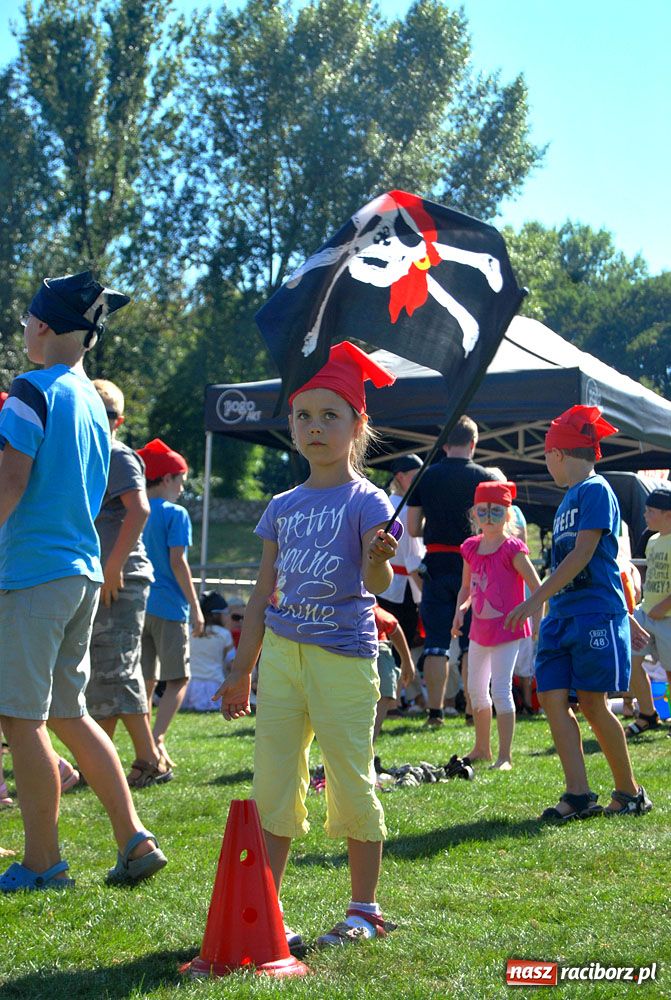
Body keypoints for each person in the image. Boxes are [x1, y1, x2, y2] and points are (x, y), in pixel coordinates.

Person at [215, 340, 400, 948]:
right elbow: (263, 591)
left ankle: (364, 909)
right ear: (291, 424)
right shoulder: (282, 506)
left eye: (330, 416)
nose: (315, 427)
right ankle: (269, 911)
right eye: (303, 416)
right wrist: (243, 670)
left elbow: (378, 583)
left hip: (344, 657)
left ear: (357, 426)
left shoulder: (367, 500)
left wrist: (378, 558)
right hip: (283, 662)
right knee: (273, 780)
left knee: (350, 776)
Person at [0, 271, 166, 892]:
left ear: (41, 326)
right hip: (81, 573)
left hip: (32, 574)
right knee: (68, 712)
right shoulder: (95, 404)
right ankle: (134, 837)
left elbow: (10, 483)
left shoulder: (28, 391)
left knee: (22, 719)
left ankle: (42, 862)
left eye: (24, 321)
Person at [505, 405, 653, 820]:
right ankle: (579, 794)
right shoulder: (567, 500)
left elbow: (587, 555)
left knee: (592, 702)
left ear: (557, 454)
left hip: (591, 614)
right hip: (562, 616)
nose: (547, 464)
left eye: (547, 456)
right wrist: (547, 605)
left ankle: (629, 792)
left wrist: (536, 599)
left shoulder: (595, 490)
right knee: (552, 697)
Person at [86, 380, 172, 788]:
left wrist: (113, 566)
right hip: (100, 573)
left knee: (118, 668)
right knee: (106, 669)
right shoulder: (85, 452)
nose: (95, 422)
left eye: (103, 417)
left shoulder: (118, 454)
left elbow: (138, 511)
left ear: (118, 421)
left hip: (122, 575)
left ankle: (150, 759)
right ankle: (106, 761)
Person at [407, 415, 495, 727]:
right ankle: (473, 709)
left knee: (435, 641)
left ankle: (435, 712)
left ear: (444, 445)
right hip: (474, 566)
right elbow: (495, 528)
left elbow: (413, 527)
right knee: (473, 640)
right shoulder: (485, 478)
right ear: (473, 444)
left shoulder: (426, 476)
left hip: (436, 563)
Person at [451, 481, 542, 769]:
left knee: (500, 690)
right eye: (483, 511)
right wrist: (460, 611)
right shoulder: (471, 548)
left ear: (507, 515)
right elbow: (466, 588)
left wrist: (537, 624)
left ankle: (505, 756)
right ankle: (482, 748)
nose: (488, 517)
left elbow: (537, 588)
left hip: (508, 630)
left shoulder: (513, 548)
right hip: (480, 630)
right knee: (476, 689)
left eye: (495, 511)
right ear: (474, 514)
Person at [138, 438, 205, 768]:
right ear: (166, 479)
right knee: (178, 678)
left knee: (146, 681)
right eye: (180, 480)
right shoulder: (175, 514)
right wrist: (196, 606)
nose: (182, 487)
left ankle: (146, 748)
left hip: (137, 606)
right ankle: (157, 739)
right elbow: (178, 562)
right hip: (169, 605)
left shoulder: (134, 508)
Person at [624, 488, 671, 738]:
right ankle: (647, 714)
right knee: (631, 660)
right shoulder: (652, 541)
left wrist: (664, 606)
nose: (645, 515)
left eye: (650, 511)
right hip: (647, 614)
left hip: (668, 618)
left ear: (668, 515)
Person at [377, 454, 425, 647]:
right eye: (415, 477)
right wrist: (427, 597)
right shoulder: (407, 511)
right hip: (404, 589)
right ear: (400, 477)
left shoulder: (382, 503)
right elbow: (413, 560)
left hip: (380, 585)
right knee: (400, 650)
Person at [181, 591, 234, 711]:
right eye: (226, 613)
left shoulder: (189, 631)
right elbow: (232, 662)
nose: (228, 617)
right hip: (214, 686)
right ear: (216, 614)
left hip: (188, 687)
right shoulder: (224, 634)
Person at [372, 604, 415, 740]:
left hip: (378, 650)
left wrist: (407, 662)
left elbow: (393, 626)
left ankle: (369, 746)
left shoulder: (369, 608)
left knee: (382, 696)